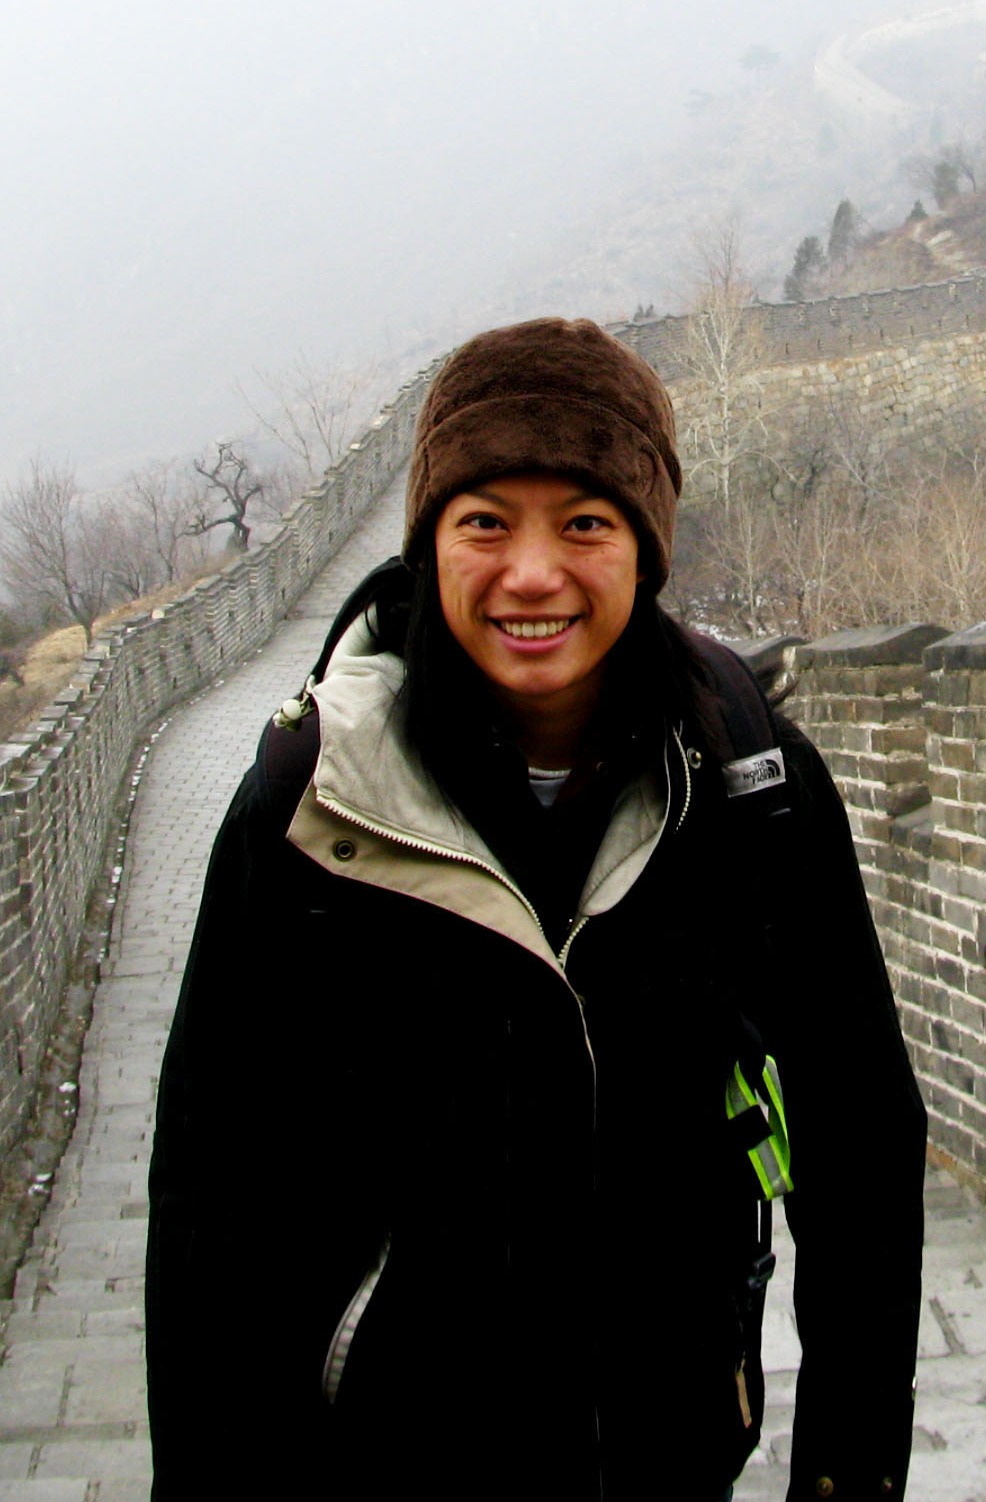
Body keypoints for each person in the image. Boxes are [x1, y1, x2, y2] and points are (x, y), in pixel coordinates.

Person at [145, 319, 927, 1500]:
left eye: (584, 522)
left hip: (670, 1459)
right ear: (428, 545)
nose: (531, 572)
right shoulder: (316, 809)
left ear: (645, 549)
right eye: (484, 521)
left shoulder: (748, 788)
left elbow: (859, 1139)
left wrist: (848, 1469)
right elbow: (212, 1201)